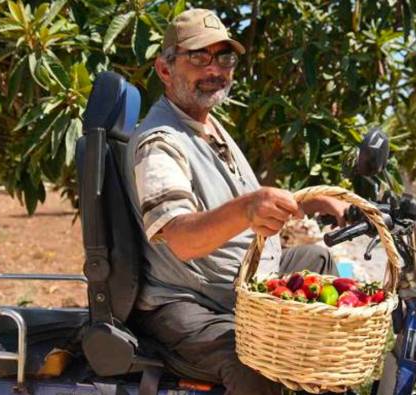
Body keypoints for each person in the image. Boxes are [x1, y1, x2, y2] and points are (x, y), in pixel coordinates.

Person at [124, 9, 348, 395]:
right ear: (165, 69)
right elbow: (180, 238)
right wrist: (247, 209)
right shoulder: (160, 141)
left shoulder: (208, 124)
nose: (215, 69)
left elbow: (238, 199)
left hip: (240, 284)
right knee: (256, 363)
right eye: (198, 57)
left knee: (318, 263)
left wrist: (315, 202)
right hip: (190, 301)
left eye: (224, 57)